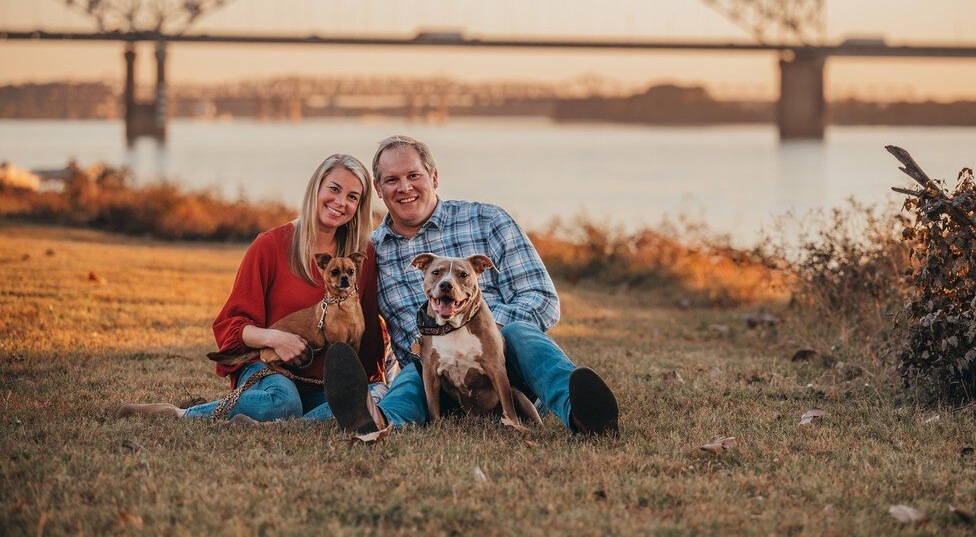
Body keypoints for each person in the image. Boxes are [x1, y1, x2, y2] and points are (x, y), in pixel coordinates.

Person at [318, 135, 619, 436]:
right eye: (392, 179)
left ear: (434, 177)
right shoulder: (372, 253)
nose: (405, 187)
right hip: (434, 380)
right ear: (379, 189)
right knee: (413, 373)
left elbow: (541, 298)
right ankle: (376, 421)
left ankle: (582, 415)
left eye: (414, 175)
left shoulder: (487, 221)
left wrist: (479, 333)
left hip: (503, 373)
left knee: (519, 333)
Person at [115, 154, 386, 422]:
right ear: (316, 187)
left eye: (352, 197)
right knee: (283, 402)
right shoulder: (269, 245)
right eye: (334, 189)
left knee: (377, 396)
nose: (340, 202)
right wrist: (276, 338)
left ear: (359, 206)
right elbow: (232, 325)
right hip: (270, 369)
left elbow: (369, 331)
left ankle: (282, 423)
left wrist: (374, 382)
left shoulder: (362, 256)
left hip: (325, 381)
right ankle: (181, 413)